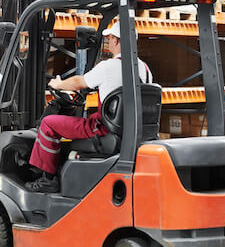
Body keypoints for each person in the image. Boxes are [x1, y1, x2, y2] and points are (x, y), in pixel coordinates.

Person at [25, 22, 153, 193]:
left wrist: (58, 84)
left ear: (116, 40)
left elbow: (79, 82)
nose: (108, 42)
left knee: (48, 123)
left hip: (102, 130)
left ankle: (47, 179)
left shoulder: (108, 67)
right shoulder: (145, 69)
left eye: (110, 39)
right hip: (131, 132)